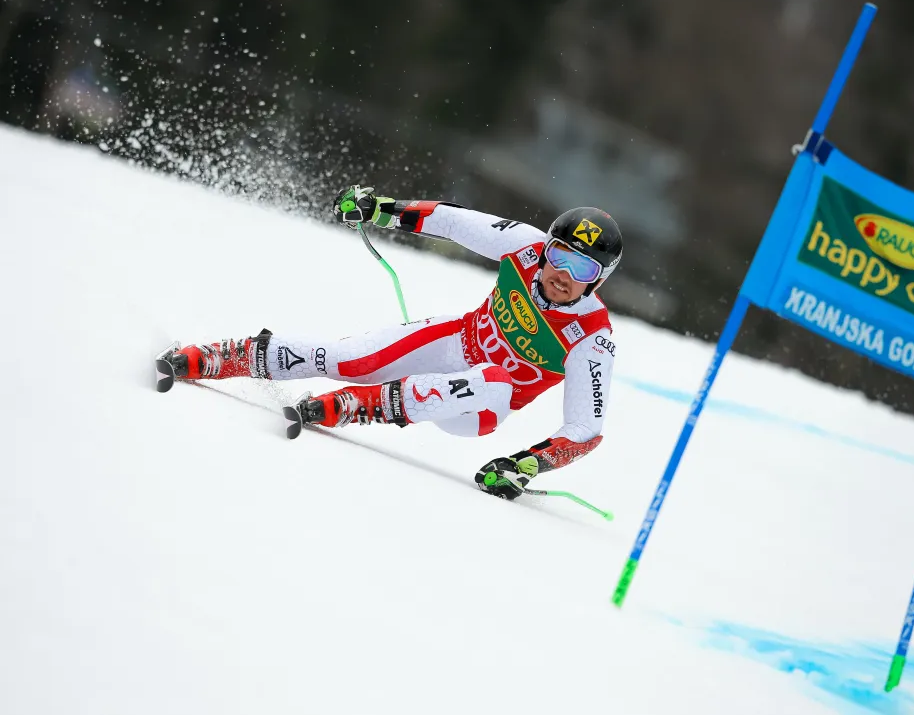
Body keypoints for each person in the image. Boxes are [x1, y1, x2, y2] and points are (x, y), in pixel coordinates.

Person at [157, 186, 622, 500]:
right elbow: (453, 221)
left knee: (495, 378)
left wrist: (525, 465)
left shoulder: (592, 338)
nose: (564, 275)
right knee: (350, 358)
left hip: (480, 407)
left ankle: (359, 406)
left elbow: (585, 427)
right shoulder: (522, 245)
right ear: (545, 248)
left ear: (598, 281)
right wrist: (380, 208)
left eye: (583, 270)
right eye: (560, 256)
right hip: (455, 340)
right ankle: (219, 357)